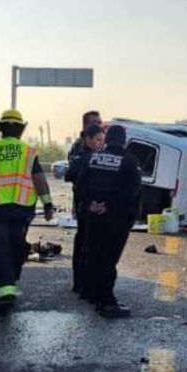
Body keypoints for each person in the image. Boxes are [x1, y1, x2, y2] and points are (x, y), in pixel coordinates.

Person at [0, 109, 54, 306]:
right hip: (22, 208)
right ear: (20, 130)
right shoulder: (28, 152)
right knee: (17, 244)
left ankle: (5, 289)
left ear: (1, 129)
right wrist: (48, 203)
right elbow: (39, 179)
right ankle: (12, 280)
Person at [76, 125, 141, 317]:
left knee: (94, 255)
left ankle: (91, 293)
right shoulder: (129, 162)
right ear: (123, 140)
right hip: (116, 219)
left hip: (93, 216)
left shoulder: (92, 158)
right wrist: (110, 206)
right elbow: (132, 193)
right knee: (109, 259)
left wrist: (92, 204)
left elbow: (81, 185)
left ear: (107, 139)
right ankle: (107, 302)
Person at [67, 124, 105, 294]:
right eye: (97, 140)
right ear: (88, 139)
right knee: (84, 245)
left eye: (103, 140)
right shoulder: (83, 157)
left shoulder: (96, 156)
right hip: (85, 206)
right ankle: (81, 283)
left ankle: (83, 283)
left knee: (87, 244)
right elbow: (70, 175)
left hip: (89, 206)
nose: (100, 144)